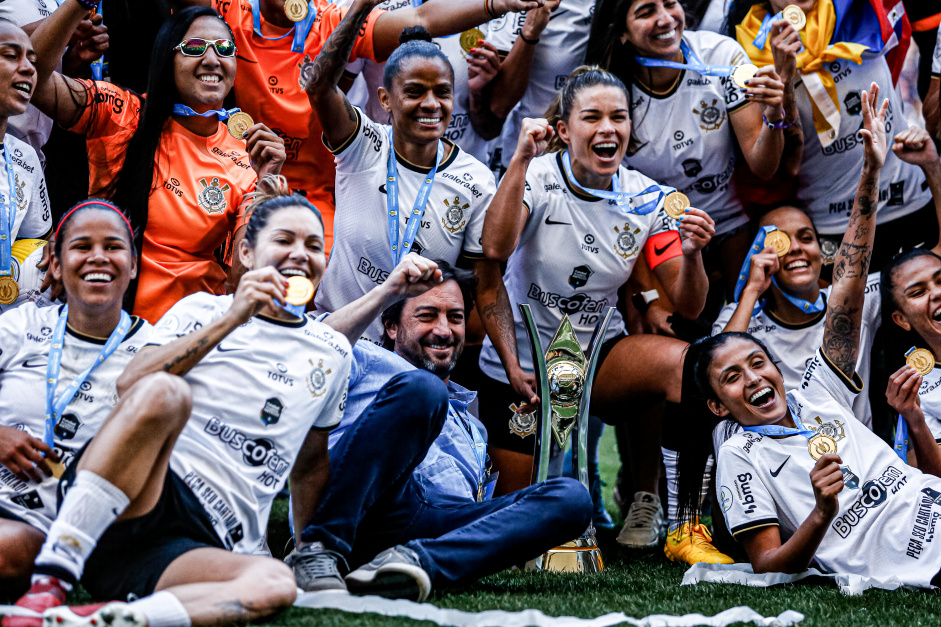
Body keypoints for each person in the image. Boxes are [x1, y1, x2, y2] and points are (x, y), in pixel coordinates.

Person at [7, 178, 351, 627]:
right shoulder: (201, 311)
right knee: (166, 391)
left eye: (314, 245)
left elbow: (310, 463)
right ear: (246, 254)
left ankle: (100, 621)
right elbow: (135, 384)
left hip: (201, 545)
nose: (300, 254)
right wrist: (233, 316)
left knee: (276, 584)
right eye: (283, 240)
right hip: (141, 498)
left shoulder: (334, 351)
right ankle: (52, 578)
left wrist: (307, 548)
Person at [679, 85, 941, 586]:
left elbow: (848, 279)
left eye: (758, 364)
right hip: (918, 561)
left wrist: (870, 170)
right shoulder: (738, 452)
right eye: (732, 378)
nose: (753, 378)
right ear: (716, 405)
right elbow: (769, 564)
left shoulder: (816, 391)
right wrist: (822, 511)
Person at [477, 66, 717, 553]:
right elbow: (494, 248)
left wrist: (692, 254)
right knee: (517, 519)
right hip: (520, 369)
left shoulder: (651, 199)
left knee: (683, 362)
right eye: (593, 118)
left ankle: (681, 522)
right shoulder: (539, 176)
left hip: (596, 361)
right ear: (564, 130)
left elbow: (690, 304)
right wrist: (521, 160)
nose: (608, 128)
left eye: (619, 118)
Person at [286, 256, 591, 600]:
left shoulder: (474, 427)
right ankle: (318, 550)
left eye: (455, 318)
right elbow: (307, 348)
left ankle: (413, 565)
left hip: (427, 524)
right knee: (425, 390)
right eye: (427, 315)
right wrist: (387, 292)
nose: (444, 330)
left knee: (571, 498)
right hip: (358, 502)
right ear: (391, 327)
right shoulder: (364, 357)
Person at [177, 0, 543, 254]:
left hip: (317, 196)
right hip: (233, 179)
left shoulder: (334, 20)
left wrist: (497, 4)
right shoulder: (225, 12)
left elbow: (421, 18)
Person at [28, 2, 287, 323]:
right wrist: (79, 3)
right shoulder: (123, 112)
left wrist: (266, 186)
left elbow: (241, 279)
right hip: (112, 325)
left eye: (224, 48)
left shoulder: (245, 156)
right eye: (194, 47)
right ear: (167, 58)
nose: (212, 59)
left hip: (191, 339)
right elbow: (33, 79)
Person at [306, 9, 499, 346]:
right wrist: (361, 8)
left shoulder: (476, 179)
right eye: (413, 92)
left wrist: (513, 367)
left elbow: (483, 286)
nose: (431, 104)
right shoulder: (363, 143)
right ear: (385, 99)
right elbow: (319, 88)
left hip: (413, 356)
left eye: (442, 92)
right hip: (338, 340)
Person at [588, 0, 801, 300]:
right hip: (656, 227)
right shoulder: (607, 88)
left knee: (753, 306)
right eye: (647, 11)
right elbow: (609, 200)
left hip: (728, 217)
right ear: (621, 33)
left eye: (670, 4)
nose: (665, 19)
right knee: (673, 321)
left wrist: (774, 115)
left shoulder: (721, 55)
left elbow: (763, 167)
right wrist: (645, 291)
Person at [0, 200, 151, 598]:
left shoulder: (155, 348)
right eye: (82, 246)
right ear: (55, 263)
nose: (98, 257)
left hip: (40, 522)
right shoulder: (21, 325)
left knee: (7, 551)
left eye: (113, 247)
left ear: (133, 264)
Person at [730, 0, 935, 271]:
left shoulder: (865, 10)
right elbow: (784, 166)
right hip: (834, 225)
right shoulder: (746, 54)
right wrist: (784, 77)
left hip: (911, 202)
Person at [0, 20, 52, 313]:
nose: (30, 69)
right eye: (10, 55)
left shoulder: (26, 158)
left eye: (32, 60)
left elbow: (37, 243)